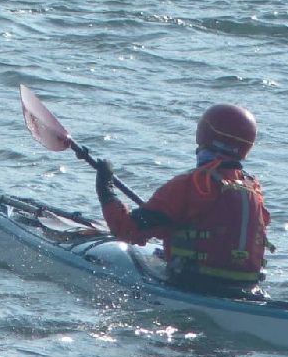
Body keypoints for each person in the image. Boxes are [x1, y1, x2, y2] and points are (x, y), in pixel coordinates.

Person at [94, 103, 272, 296]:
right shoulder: (253, 188)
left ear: (203, 136)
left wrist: (106, 190)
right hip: (245, 288)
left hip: (193, 283)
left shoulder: (193, 184)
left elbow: (126, 229)